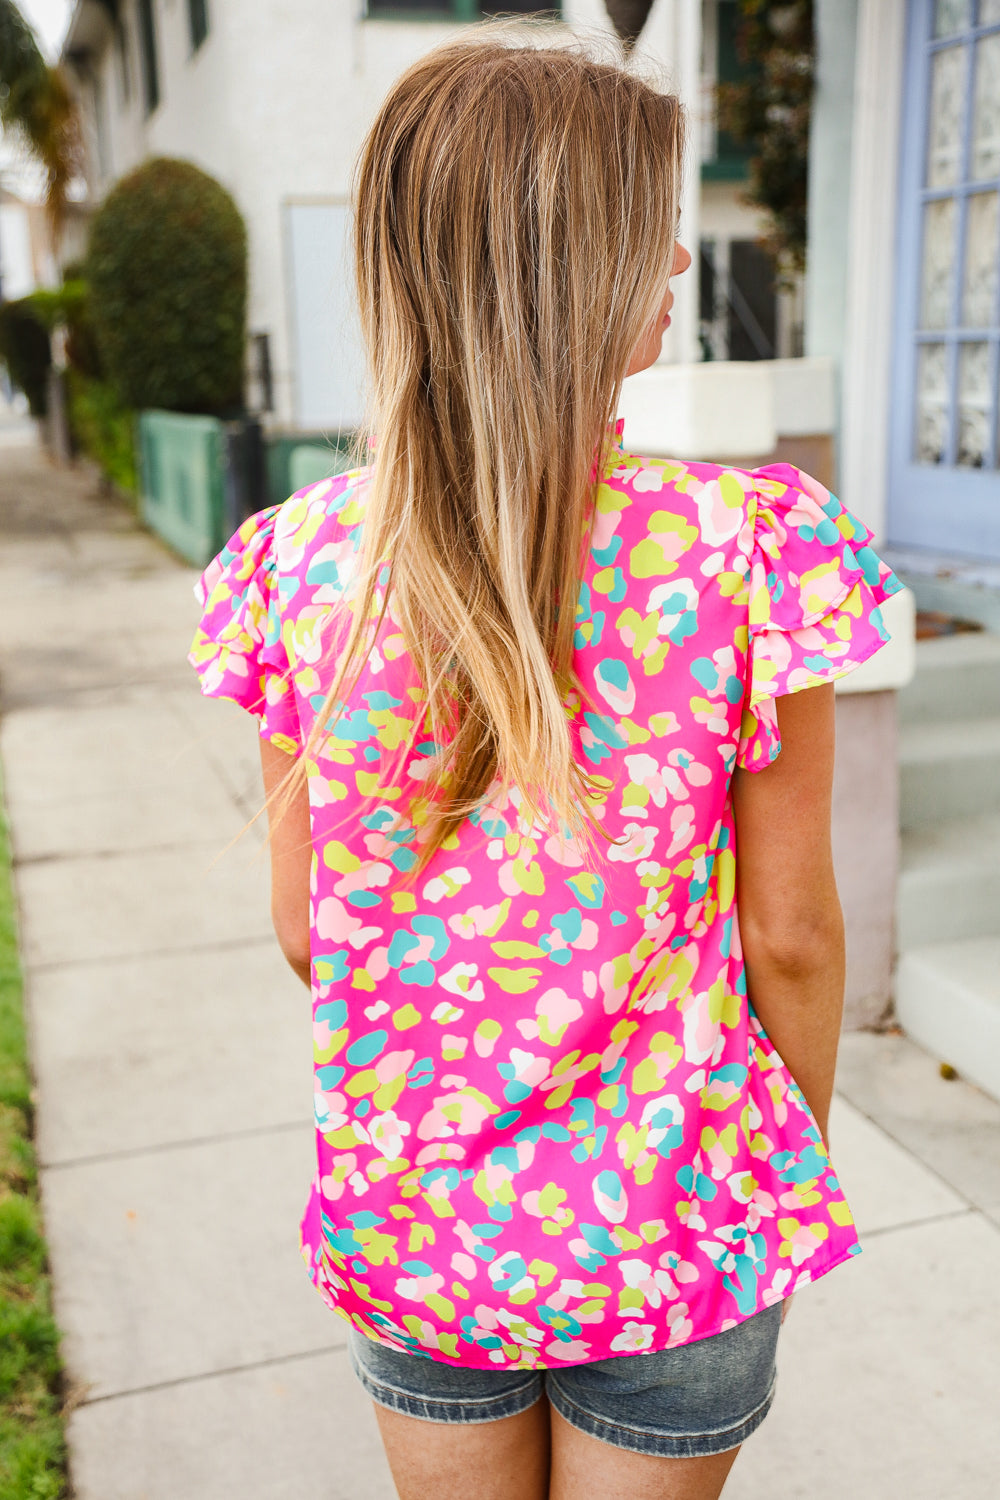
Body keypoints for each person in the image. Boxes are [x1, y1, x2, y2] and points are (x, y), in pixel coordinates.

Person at [189, 31, 901, 1500]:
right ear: (570, 274)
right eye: (652, 235)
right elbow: (792, 933)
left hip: (421, 1228)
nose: (680, 267)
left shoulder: (295, 569)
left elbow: (310, 927)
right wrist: (781, 1156)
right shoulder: (746, 553)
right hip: (679, 1225)